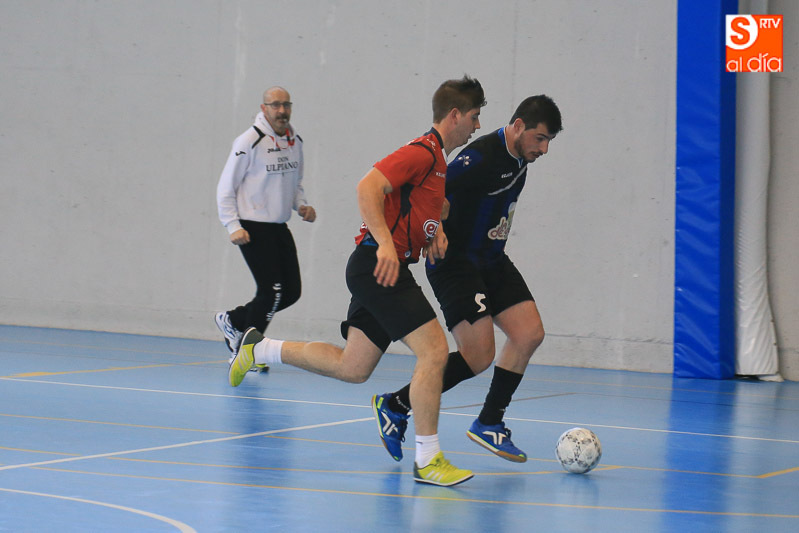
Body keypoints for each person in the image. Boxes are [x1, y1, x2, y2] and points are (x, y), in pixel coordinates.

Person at [228, 75, 486, 487]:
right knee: (435, 351)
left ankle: (259, 348)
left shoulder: (437, 162)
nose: (477, 125)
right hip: (379, 267)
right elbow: (368, 186)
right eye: (474, 116)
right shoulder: (422, 151)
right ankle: (428, 459)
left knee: (353, 367)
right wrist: (385, 244)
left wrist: (436, 230)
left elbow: (426, 206)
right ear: (455, 115)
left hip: (379, 268)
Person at [372, 95, 562, 464]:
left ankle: (489, 421)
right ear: (518, 126)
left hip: (491, 259)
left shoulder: (520, 158)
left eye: (549, 141)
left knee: (529, 333)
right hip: (455, 263)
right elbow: (430, 189)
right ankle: (395, 405)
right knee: (479, 356)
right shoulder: (481, 157)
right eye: (540, 138)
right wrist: (435, 231)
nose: (544, 149)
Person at [215, 87, 316, 367]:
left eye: (286, 105)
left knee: (291, 292)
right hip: (252, 227)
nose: (281, 111)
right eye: (275, 105)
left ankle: (233, 320)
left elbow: (294, 182)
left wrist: (302, 205)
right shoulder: (249, 141)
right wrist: (232, 225)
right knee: (271, 291)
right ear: (264, 108)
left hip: (279, 226)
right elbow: (225, 187)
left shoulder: (295, 141)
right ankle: (245, 353)